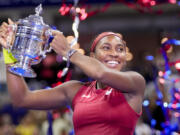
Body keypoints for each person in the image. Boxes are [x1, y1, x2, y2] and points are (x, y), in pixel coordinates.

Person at [0, 19, 146, 135]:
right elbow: (22, 99)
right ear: (92, 57)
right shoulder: (75, 90)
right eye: (106, 48)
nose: (114, 53)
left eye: (120, 49)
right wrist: (8, 52)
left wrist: (67, 51)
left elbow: (100, 73)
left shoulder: (134, 82)